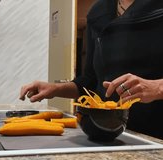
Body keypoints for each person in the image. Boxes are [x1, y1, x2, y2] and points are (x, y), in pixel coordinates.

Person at [19, 0, 163, 139]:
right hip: (110, 132)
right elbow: (90, 80)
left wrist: (157, 88)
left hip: (155, 133)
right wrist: (55, 88)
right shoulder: (97, 12)